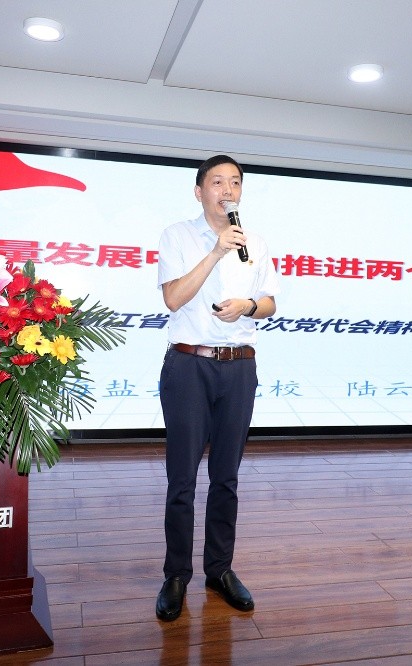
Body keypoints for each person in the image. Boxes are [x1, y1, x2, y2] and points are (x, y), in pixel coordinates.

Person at [154, 154, 280, 621]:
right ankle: (175, 575)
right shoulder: (178, 236)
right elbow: (173, 298)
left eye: (236, 182)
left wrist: (248, 305)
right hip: (190, 365)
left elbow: (269, 302)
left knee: (227, 477)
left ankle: (219, 570)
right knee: (182, 479)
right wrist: (215, 252)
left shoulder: (256, 242)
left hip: (240, 367)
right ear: (199, 191)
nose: (228, 190)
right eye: (218, 182)